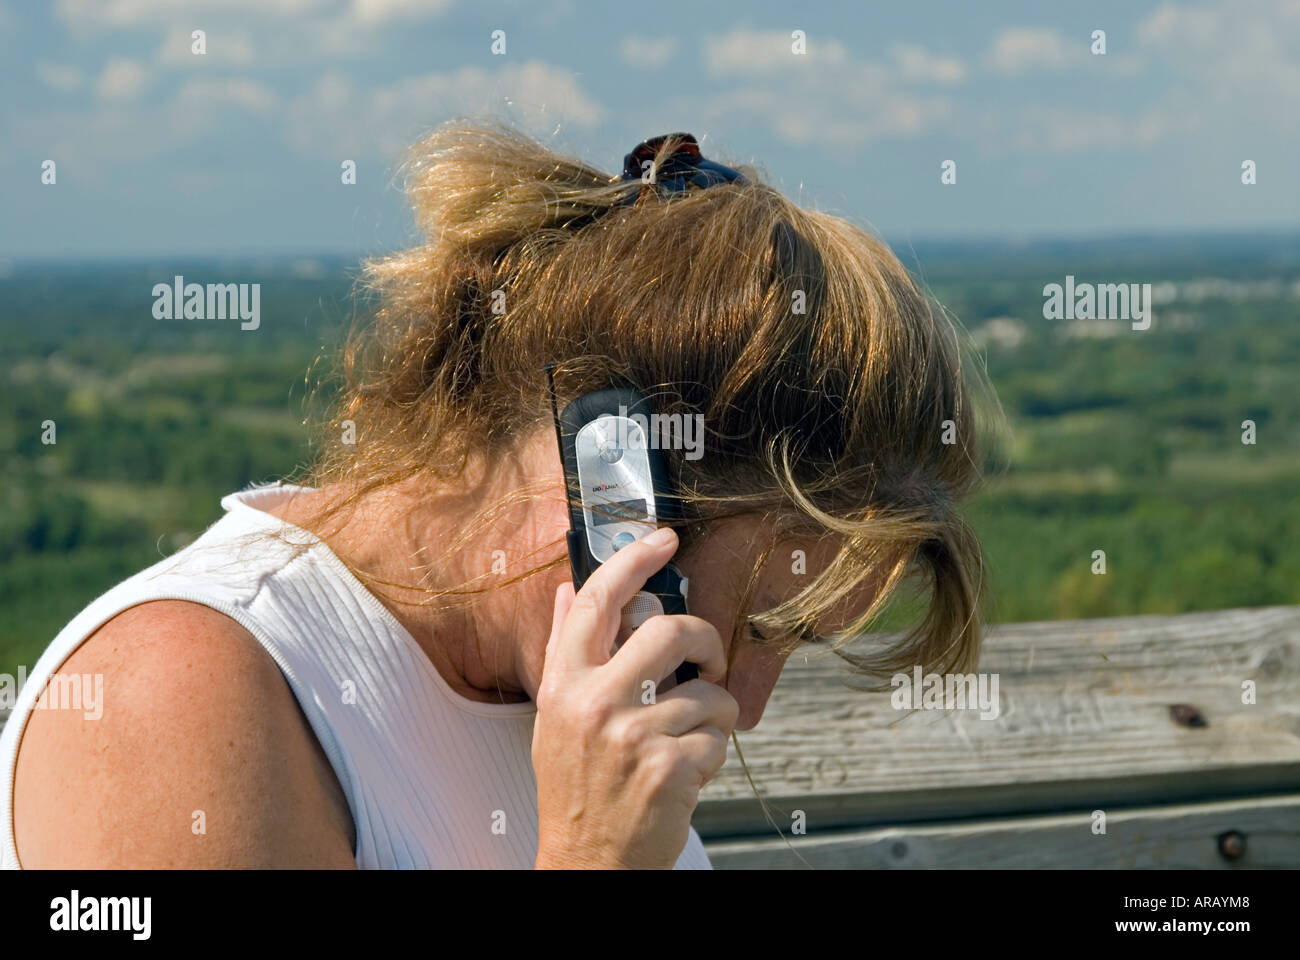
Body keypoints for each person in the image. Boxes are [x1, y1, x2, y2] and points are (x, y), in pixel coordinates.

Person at [1, 122, 993, 869]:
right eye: (764, 621)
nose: (746, 707)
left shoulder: (573, 696)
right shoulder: (176, 700)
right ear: (612, 483)